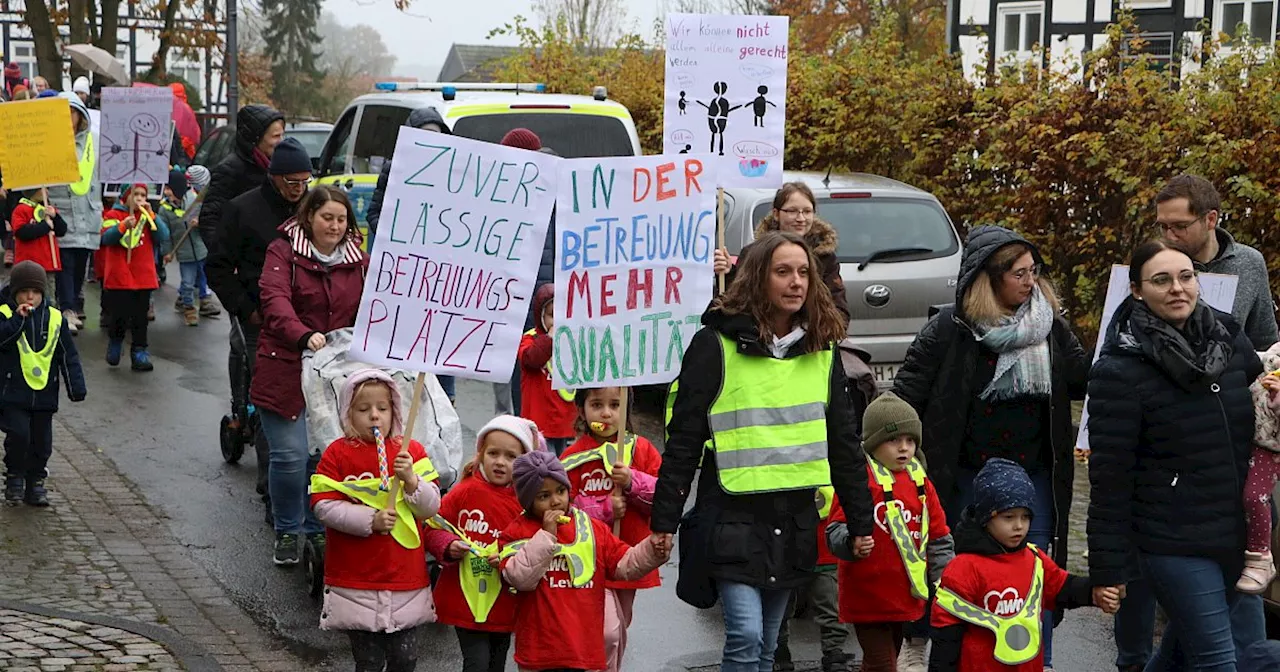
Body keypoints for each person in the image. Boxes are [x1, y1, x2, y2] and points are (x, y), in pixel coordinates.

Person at [653, 231, 875, 671]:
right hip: (731, 516)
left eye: (804, 273)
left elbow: (844, 444)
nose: (796, 282)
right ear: (757, 278)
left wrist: (860, 519)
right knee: (746, 637)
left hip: (792, 520)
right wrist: (664, 521)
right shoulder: (713, 346)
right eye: (783, 272)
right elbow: (683, 442)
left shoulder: (822, 353)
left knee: (768, 645)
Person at [891, 225, 1088, 672]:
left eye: (1033, 272)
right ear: (989, 277)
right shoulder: (949, 328)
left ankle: (1039, 660)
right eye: (1019, 273)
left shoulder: (1050, 327)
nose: (1030, 282)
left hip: (1034, 478)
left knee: (1031, 574)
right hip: (963, 479)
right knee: (959, 573)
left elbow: (1083, 381)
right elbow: (905, 398)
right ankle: (938, 649)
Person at [1088, 239, 1262, 671]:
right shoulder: (1119, 369)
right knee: (1222, 662)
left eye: (1186, 277)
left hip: (1234, 533)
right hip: (1172, 539)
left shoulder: (1229, 339)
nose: (1177, 288)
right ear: (1136, 291)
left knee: (1190, 655)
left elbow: (1261, 414)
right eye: (1161, 280)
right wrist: (1108, 569)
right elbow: (1109, 479)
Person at [254, 185, 368, 566]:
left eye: (341, 219)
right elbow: (274, 299)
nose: (334, 226)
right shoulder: (282, 252)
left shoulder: (359, 260)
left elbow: (375, 303)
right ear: (309, 216)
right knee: (290, 455)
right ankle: (288, 528)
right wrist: (302, 333)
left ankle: (317, 527)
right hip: (285, 365)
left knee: (325, 457)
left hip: (337, 375)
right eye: (327, 217)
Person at [930, 459, 1119, 672]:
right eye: (1008, 517)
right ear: (985, 518)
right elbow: (945, 634)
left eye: (1025, 517)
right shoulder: (964, 568)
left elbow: (1061, 587)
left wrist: (1094, 593)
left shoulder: (1034, 559)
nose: (1019, 526)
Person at [309, 369, 441, 672]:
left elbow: (430, 507)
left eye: (382, 408)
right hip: (357, 574)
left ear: (394, 411)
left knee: (405, 659)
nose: (374, 416)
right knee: (368, 661)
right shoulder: (337, 454)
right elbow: (323, 505)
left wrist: (410, 480)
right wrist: (370, 520)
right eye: (363, 409)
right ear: (347, 413)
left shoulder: (412, 452)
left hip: (404, 573)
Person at [206, 137, 311, 506]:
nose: (299, 190)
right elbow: (217, 266)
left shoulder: (313, 210)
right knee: (273, 396)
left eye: (306, 182)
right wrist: (244, 307)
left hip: (307, 320)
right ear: (275, 178)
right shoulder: (243, 209)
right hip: (260, 318)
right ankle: (272, 484)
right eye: (293, 183)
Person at [499, 451, 669, 672]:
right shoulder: (515, 532)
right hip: (539, 653)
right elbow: (520, 579)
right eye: (543, 496)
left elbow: (624, 564)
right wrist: (547, 535)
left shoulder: (591, 527)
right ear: (528, 501)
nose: (555, 501)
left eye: (560, 491)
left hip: (584, 651)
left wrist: (652, 550)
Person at [826, 393, 954, 672]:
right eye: (894, 440)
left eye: (910, 441)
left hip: (904, 596)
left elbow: (939, 536)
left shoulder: (921, 481)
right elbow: (834, 530)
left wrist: (945, 578)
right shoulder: (859, 481)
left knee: (881, 662)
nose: (904, 448)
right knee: (883, 665)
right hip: (867, 596)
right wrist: (850, 543)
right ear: (873, 444)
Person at [425, 415, 540, 672]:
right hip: (464, 597)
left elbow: (537, 544)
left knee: (496, 663)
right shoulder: (465, 491)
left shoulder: (527, 501)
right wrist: (448, 545)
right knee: (476, 663)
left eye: (511, 457)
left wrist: (512, 559)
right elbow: (433, 527)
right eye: (493, 453)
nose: (500, 462)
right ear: (481, 454)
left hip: (504, 597)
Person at [560, 386, 663, 672]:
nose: (606, 412)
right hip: (590, 560)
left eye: (615, 405)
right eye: (597, 404)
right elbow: (563, 509)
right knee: (603, 629)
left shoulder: (640, 450)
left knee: (619, 625)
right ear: (582, 410)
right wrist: (604, 509)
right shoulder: (572, 456)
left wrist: (632, 481)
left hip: (627, 554)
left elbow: (663, 496)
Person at [1156, 174, 1277, 350]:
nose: (1169, 236)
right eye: (1163, 226)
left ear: (1210, 219)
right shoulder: (1151, 264)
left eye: (1180, 226)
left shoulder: (1249, 263)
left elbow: (1265, 344)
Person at [0, 261, 86, 506]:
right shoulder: (6, 314)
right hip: (12, 392)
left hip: (44, 394)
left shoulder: (55, 318)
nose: (30, 297)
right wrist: (18, 321)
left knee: (41, 442)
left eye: (35, 292)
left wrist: (75, 386)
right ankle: (15, 476)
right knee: (19, 435)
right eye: (24, 291)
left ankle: (36, 482)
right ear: (15, 293)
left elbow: (67, 354)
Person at [712, 181, 850, 324]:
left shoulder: (825, 258)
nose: (801, 218)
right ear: (776, 214)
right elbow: (736, 303)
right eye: (792, 211)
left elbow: (840, 312)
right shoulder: (753, 254)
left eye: (807, 211)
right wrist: (728, 273)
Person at [493, 128, 543, 417]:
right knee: (507, 380)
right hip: (506, 305)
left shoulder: (552, 196)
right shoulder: (495, 198)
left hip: (541, 306)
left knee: (538, 384)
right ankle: (508, 434)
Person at [198, 104, 285, 257]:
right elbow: (210, 219)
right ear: (256, 137)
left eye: (282, 135)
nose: (281, 141)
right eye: (275, 136)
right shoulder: (230, 169)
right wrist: (225, 260)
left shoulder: (277, 168)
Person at [47, 91, 100, 333]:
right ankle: (66, 308)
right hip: (62, 213)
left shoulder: (93, 141)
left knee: (80, 264)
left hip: (88, 212)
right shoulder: (49, 142)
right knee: (65, 265)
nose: (69, 117)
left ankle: (73, 304)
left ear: (80, 116)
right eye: (64, 112)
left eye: (73, 113)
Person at [100, 184, 168, 371]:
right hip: (120, 275)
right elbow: (106, 239)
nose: (139, 198)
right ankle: (115, 341)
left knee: (140, 318)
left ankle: (139, 350)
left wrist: (151, 216)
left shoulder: (147, 216)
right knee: (119, 316)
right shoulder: (113, 215)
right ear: (125, 197)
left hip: (143, 276)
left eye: (143, 195)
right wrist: (123, 226)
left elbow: (163, 235)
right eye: (135, 194)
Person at [366, 107, 451, 255]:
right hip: (400, 256)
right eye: (424, 135)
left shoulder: (452, 174)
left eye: (435, 136)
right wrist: (392, 236)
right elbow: (374, 213)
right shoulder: (394, 169)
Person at [1238, 345, 1280, 593]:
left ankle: (1260, 557)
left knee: (1254, 497)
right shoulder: (1275, 351)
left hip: (1271, 447)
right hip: (1248, 437)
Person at [517, 284, 574, 454]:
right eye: (552, 315)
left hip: (567, 424)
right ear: (540, 315)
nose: (558, 321)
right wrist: (549, 339)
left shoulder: (574, 341)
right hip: (540, 424)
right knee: (545, 472)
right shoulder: (530, 339)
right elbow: (531, 359)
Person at [157, 170, 207, 326]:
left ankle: (202, 299)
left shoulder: (193, 200)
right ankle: (189, 308)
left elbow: (208, 217)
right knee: (187, 282)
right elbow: (166, 235)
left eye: (170, 188)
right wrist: (167, 252)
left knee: (203, 278)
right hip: (184, 252)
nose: (167, 192)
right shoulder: (164, 210)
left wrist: (199, 222)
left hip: (200, 249)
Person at [10, 188, 68, 308]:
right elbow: (22, 232)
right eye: (42, 189)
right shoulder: (21, 209)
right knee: (28, 298)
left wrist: (55, 217)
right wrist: (45, 226)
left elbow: (62, 230)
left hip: (49, 263)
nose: (46, 191)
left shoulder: (48, 209)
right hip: (28, 265)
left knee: (48, 298)